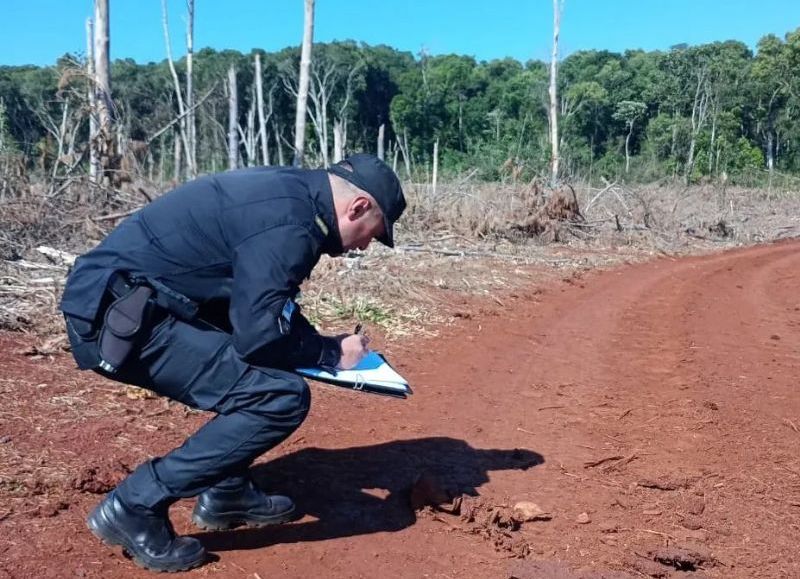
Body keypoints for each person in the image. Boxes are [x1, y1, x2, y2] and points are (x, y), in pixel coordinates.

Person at [60, 153, 406, 572]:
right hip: (119, 317)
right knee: (278, 396)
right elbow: (261, 334)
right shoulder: (291, 224)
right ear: (359, 207)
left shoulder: (293, 197)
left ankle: (227, 491)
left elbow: (268, 310)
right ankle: (135, 503)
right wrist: (331, 353)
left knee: (269, 363)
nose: (365, 245)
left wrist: (318, 345)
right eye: (373, 233)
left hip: (135, 298)